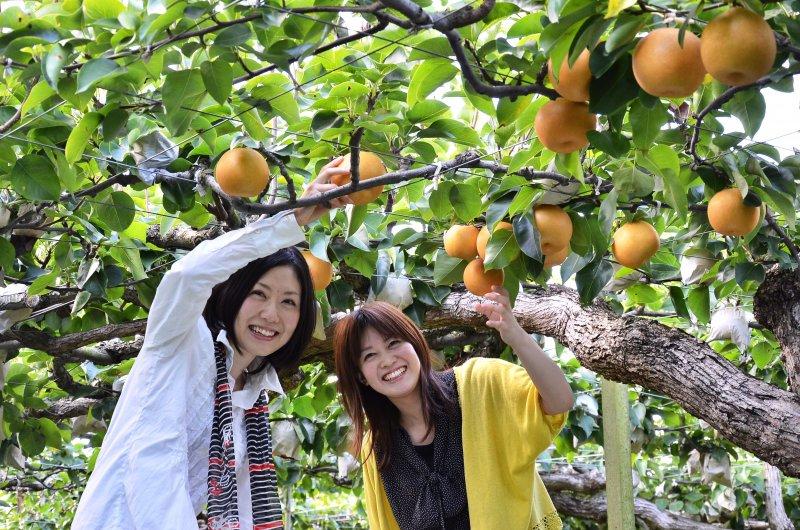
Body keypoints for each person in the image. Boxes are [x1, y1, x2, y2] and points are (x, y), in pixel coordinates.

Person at [73, 157, 352, 530]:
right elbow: (187, 275)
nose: (272, 314)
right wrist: (292, 220)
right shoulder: (182, 342)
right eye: (259, 294)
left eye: (289, 302)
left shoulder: (253, 396)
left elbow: (243, 505)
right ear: (233, 293)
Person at [333, 287, 574, 530]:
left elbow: (559, 402)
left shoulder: (480, 384)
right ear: (361, 376)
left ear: (415, 342)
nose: (387, 360)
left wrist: (515, 335)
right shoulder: (377, 448)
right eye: (370, 356)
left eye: (394, 343)